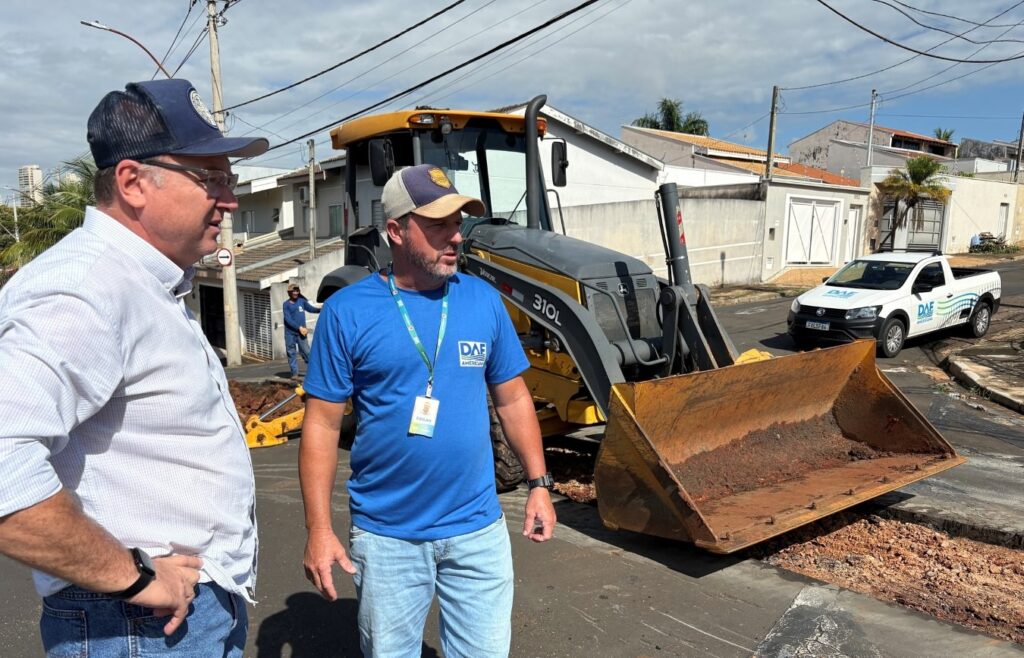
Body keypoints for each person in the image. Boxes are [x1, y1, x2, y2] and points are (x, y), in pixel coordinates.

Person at [0, 78, 269, 657]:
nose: (229, 199)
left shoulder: (140, 284)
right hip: (134, 623)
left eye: (230, 179)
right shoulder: (84, 288)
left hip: (171, 614)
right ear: (131, 182)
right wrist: (136, 577)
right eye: (211, 179)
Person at [299, 164, 557, 658]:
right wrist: (319, 529)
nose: (455, 236)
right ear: (395, 231)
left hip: (477, 531)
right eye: (437, 225)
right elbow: (322, 423)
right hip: (388, 536)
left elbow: (513, 397)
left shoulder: (482, 301)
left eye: (457, 223)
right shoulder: (347, 312)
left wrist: (539, 486)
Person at [283, 282, 320, 379]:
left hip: (301, 333)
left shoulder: (302, 301)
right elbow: (288, 319)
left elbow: (311, 309)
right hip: (290, 333)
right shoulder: (286, 304)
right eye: (293, 291)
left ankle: (313, 373)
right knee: (291, 353)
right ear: (289, 293)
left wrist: (321, 309)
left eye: (297, 291)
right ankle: (294, 374)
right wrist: (299, 327)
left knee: (307, 352)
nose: (295, 293)